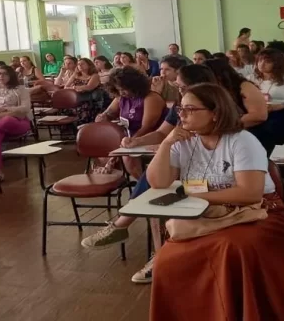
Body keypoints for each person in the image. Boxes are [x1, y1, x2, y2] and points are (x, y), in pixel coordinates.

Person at [147, 83, 284, 320]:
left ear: (215, 112)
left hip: (259, 214)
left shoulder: (242, 141)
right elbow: (158, 182)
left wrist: (193, 195)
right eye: (180, 109)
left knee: (231, 248)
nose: (182, 115)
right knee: (166, 261)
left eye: (189, 109)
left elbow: (250, 194)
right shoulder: (183, 141)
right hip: (207, 214)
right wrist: (166, 144)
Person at [80, 65, 218, 282]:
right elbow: (162, 133)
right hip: (183, 165)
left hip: (210, 170)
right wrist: (137, 141)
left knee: (157, 191)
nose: (179, 92)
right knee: (155, 190)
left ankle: (125, 226)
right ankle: (160, 256)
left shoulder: (218, 106)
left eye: (182, 87)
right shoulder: (180, 106)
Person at [96, 67, 168, 179]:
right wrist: (103, 117)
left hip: (150, 138)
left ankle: (145, 185)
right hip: (129, 139)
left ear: (134, 86)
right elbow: (109, 113)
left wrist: (125, 146)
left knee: (128, 156)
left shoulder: (151, 98)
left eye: (123, 89)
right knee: (102, 153)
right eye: (118, 89)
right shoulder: (121, 97)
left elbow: (147, 128)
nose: (121, 92)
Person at [0, 65, 32, 186]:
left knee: (7, 119)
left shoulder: (20, 89)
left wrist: (4, 109)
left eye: (5, 74)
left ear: (11, 75)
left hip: (17, 122)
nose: (1, 76)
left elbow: (25, 108)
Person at [204, 59, 268, 139]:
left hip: (251, 134)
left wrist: (223, 123)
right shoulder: (212, 89)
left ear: (218, 76)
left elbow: (260, 115)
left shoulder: (245, 87)